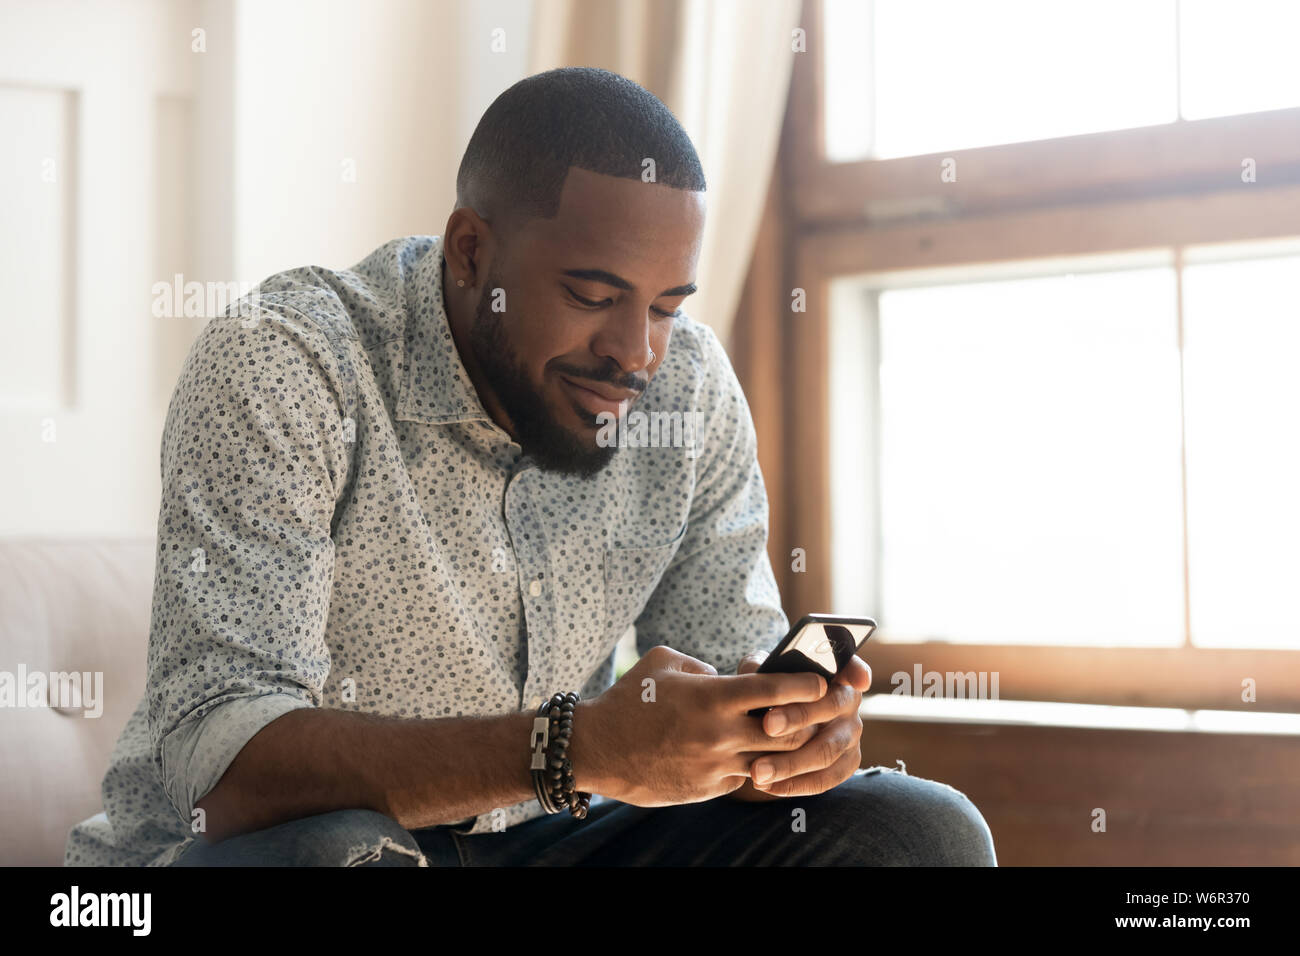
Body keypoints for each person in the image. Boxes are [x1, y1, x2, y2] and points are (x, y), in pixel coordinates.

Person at [65, 67, 996, 867]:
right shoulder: (287, 361)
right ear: (473, 252)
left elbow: (725, 673)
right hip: (255, 854)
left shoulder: (688, 393)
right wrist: (574, 747)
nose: (637, 352)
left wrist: (778, 741)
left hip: (555, 834)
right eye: (593, 296)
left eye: (668, 306)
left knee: (919, 835)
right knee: (340, 850)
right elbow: (223, 772)